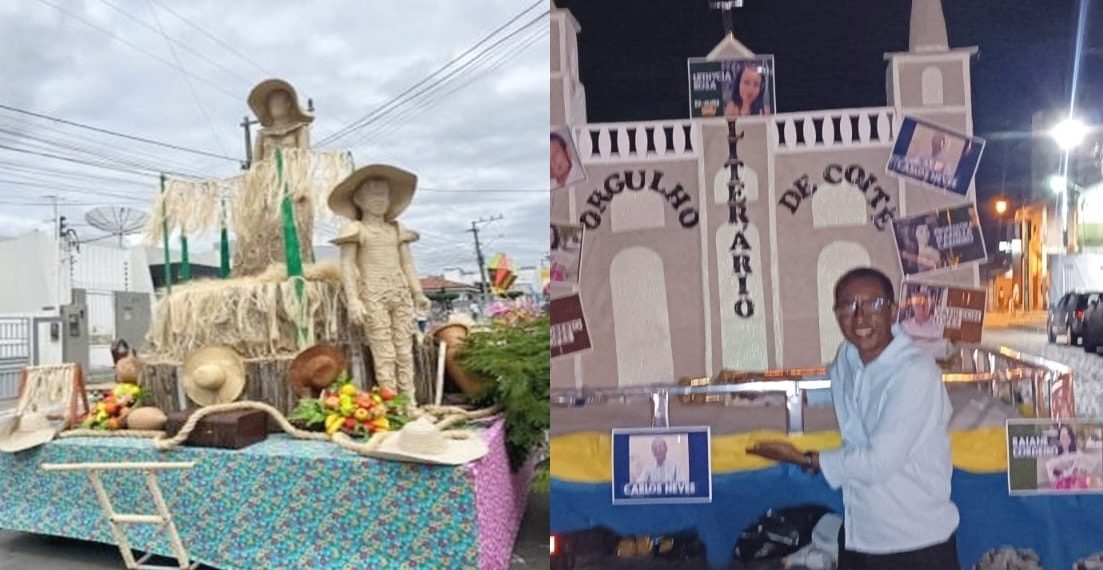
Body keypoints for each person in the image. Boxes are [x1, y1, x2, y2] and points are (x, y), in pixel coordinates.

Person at [748, 267, 960, 569]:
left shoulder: (914, 373)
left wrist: (808, 460)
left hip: (914, 542)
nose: (859, 317)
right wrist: (773, 397)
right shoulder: (847, 357)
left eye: (872, 304)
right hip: (861, 534)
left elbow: (879, 462)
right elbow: (839, 387)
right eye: (848, 306)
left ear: (893, 309)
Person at [329, 164, 432, 404]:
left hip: (401, 294)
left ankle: (409, 402)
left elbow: (407, 264)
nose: (379, 200)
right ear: (359, 200)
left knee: (405, 351)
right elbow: (347, 266)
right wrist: (354, 300)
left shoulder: (397, 230)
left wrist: (418, 293)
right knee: (384, 352)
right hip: (373, 294)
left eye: (384, 195)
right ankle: (392, 404)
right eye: (373, 195)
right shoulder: (356, 229)